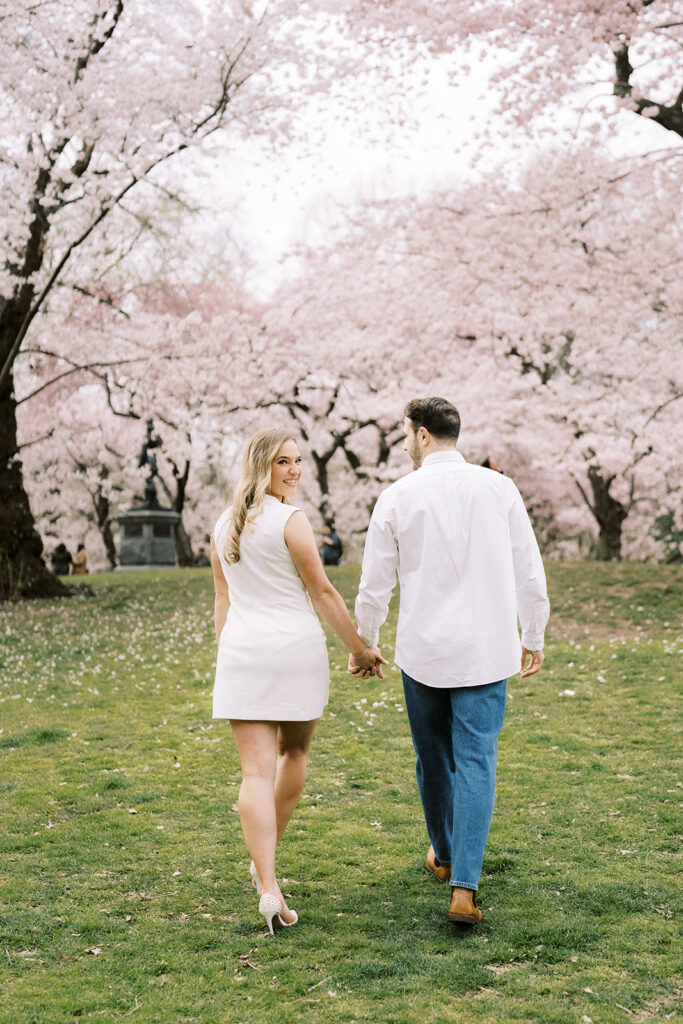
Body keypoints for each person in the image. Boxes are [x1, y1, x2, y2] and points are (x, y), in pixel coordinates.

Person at [351, 397, 549, 925]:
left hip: (424, 652)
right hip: (486, 649)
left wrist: (365, 643)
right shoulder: (498, 487)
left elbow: (374, 584)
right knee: (477, 758)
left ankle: (442, 854)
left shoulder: (396, 495)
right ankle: (464, 888)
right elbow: (528, 568)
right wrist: (534, 632)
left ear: (420, 436)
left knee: (432, 756)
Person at [210, 428, 386, 935]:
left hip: (242, 653)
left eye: (298, 461)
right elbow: (322, 591)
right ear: (261, 465)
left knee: (254, 774)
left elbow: (224, 599)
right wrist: (360, 649)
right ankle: (265, 875)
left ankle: (267, 880)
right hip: (292, 652)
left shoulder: (224, 524)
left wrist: (227, 651)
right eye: (283, 462)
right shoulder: (291, 520)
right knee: (293, 756)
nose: (294, 470)